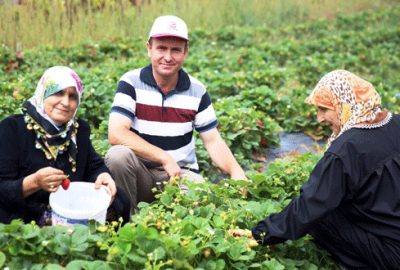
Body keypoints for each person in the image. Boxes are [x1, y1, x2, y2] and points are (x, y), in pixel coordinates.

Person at [251, 70, 400, 269]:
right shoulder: (395, 122)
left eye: (324, 109)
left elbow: (309, 207)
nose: (320, 119)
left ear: (345, 103)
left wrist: (262, 234)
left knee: (320, 217)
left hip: (391, 255)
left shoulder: (345, 151)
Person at [105, 15, 247, 214]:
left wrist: (235, 170)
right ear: (149, 48)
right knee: (117, 156)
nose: (168, 57)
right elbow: (117, 134)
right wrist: (164, 157)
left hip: (181, 176)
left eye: (175, 50)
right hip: (141, 174)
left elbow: (213, 140)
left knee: (202, 205)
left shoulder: (197, 90)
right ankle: (127, 219)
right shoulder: (131, 82)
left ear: (185, 53)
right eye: (161, 48)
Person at [0, 66, 130, 226]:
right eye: (58, 93)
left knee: (121, 199)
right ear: (43, 92)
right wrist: (34, 182)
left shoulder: (78, 129)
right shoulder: (13, 128)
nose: (65, 102)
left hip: (70, 209)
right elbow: (2, 187)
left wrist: (103, 176)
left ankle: (102, 247)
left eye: (73, 96)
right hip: (26, 213)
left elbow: (94, 167)